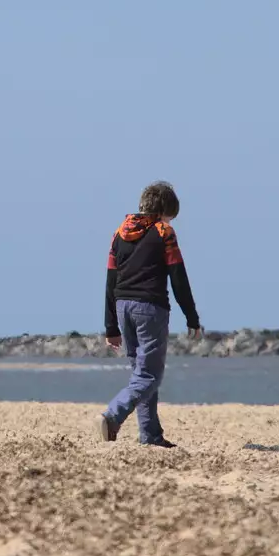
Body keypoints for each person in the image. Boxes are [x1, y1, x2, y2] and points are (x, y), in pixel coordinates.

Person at [98, 180, 203, 447]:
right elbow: (178, 276)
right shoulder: (164, 232)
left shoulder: (118, 233)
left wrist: (111, 326)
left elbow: (111, 280)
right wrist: (192, 317)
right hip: (150, 308)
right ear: (165, 209)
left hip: (122, 307)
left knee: (140, 374)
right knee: (150, 375)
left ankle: (150, 436)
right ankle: (112, 415)